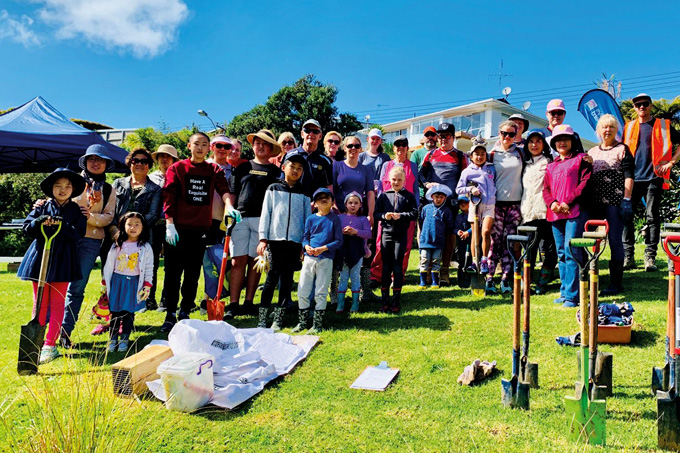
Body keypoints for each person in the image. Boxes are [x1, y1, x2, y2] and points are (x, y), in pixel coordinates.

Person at [161, 132, 231, 333]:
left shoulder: (213, 169)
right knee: (173, 274)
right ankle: (170, 314)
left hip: (200, 230)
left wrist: (229, 205)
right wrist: (170, 223)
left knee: (192, 273)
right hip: (177, 229)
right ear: (189, 146)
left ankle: (185, 312)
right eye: (196, 144)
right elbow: (169, 195)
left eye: (204, 145)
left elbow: (223, 188)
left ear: (208, 148)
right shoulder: (178, 168)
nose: (200, 148)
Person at [18, 168, 87, 363]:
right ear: (51, 188)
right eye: (58, 186)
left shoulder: (77, 211)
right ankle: (35, 341)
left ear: (73, 189)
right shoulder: (41, 206)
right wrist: (38, 221)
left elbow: (78, 233)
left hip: (63, 261)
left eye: (67, 186)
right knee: (39, 302)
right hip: (39, 259)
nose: (63, 190)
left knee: (57, 303)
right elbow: (27, 228)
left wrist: (62, 224)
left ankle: (50, 344)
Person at [60, 144, 117, 349]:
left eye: (100, 160)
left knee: (77, 287)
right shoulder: (71, 180)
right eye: (92, 159)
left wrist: (89, 217)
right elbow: (59, 201)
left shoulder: (109, 189)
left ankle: (65, 333)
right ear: (85, 161)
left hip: (91, 241)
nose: (96, 163)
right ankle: (49, 334)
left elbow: (109, 217)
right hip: (66, 237)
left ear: (105, 165)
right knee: (57, 285)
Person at [224, 129, 282, 319]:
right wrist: (229, 209)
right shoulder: (242, 167)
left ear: (271, 148)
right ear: (253, 145)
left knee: (255, 262)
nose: (260, 145)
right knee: (237, 261)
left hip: (262, 220)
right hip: (240, 218)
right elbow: (232, 192)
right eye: (257, 142)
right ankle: (234, 303)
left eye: (265, 143)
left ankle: (249, 302)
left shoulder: (275, 171)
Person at [622, 93, 680, 271]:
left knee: (652, 216)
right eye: (638, 104)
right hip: (631, 178)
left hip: (654, 177)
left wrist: (671, 162)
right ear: (634, 108)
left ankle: (650, 258)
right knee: (626, 217)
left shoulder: (664, 125)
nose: (642, 107)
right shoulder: (628, 127)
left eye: (645, 104)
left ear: (650, 106)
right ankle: (628, 256)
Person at [257, 154, 311, 330]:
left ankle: (278, 318)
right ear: (284, 167)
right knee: (271, 278)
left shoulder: (304, 192)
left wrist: (305, 242)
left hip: (294, 242)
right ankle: (262, 317)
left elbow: (307, 219)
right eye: (292, 166)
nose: (295, 171)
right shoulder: (273, 188)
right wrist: (263, 238)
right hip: (275, 240)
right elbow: (266, 213)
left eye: (299, 168)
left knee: (287, 281)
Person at [543, 124, 592, 308]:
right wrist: (553, 203)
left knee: (573, 250)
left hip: (575, 212)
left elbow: (584, 184)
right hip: (555, 214)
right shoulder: (551, 166)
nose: (562, 142)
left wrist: (567, 202)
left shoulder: (582, 160)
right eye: (558, 140)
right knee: (561, 253)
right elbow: (546, 189)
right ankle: (565, 292)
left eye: (566, 139)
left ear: (573, 141)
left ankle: (573, 295)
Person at [587, 114, 635, 295]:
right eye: (604, 127)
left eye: (611, 127)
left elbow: (629, 175)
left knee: (615, 240)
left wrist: (627, 199)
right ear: (598, 130)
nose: (607, 130)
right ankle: (591, 278)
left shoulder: (622, 149)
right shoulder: (591, 152)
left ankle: (616, 284)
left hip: (616, 202)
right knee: (591, 240)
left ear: (616, 130)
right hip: (594, 203)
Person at [110, 149, 162, 311]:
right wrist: (115, 232)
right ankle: (112, 301)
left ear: (149, 166)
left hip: (145, 236)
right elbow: (111, 209)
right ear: (129, 163)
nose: (139, 164)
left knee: (145, 268)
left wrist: (134, 232)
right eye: (136, 161)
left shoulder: (156, 189)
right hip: (116, 235)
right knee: (115, 269)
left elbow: (153, 214)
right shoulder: (118, 183)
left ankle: (144, 301)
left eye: (144, 162)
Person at [419, 122, 467, 286]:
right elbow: (421, 175)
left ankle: (444, 271)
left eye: (446, 136)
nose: (443, 139)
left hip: (451, 205)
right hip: (431, 205)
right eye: (440, 136)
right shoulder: (430, 155)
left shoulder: (460, 156)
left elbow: (465, 178)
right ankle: (427, 272)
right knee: (428, 236)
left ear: (453, 137)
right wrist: (426, 185)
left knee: (449, 238)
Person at [332, 135, 375, 304]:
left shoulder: (365, 169)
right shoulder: (337, 166)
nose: (353, 148)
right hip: (339, 216)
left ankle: (365, 290)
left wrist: (370, 213)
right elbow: (332, 189)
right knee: (338, 253)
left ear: (360, 149)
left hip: (360, 217)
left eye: (356, 146)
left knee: (363, 250)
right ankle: (335, 292)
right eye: (349, 145)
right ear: (344, 148)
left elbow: (370, 192)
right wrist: (335, 210)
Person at [293, 188, 343, 334]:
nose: (323, 199)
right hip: (309, 258)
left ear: (332, 202)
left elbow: (339, 241)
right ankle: (302, 322)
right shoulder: (311, 219)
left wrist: (324, 248)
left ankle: (317, 324)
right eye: (319, 198)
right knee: (303, 289)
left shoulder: (335, 219)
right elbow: (305, 237)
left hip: (326, 259)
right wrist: (306, 246)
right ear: (314, 204)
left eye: (327, 197)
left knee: (321, 291)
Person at [102, 212, 154, 352]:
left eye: (137, 224)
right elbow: (109, 264)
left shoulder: (145, 247)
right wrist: (105, 282)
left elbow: (149, 267)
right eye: (129, 224)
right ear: (123, 226)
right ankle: (112, 339)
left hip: (134, 284)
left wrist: (147, 285)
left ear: (143, 227)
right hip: (117, 282)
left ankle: (124, 339)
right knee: (115, 312)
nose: (133, 227)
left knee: (128, 312)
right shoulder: (117, 244)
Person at [371, 135, 419, 285]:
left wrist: (414, 209)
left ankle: (397, 276)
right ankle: (376, 275)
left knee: (405, 245)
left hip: (405, 212)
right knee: (380, 243)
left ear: (407, 147)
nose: (400, 148)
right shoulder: (387, 165)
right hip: (387, 212)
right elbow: (380, 187)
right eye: (397, 145)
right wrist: (380, 209)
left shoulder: (413, 166)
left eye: (403, 145)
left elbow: (416, 190)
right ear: (394, 148)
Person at [486, 121, 523, 294]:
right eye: (503, 133)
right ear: (499, 133)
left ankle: (506, 279)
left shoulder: (521, 153)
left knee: (511, 242)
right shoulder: (491, 154)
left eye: (511, 134)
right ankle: (489, 279)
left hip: (515, 204)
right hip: (496, 205)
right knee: (495, 243)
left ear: (516, 135)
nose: (507, 137)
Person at [374, 166, 418, 313]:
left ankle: (396, 300)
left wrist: (402, 215)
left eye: (399, 179)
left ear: (405, 180)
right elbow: (376, 214)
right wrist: (384, 216)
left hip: (400, 234)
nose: (396, 182)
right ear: (388, 180)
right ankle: (385, 300)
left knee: (397, 266)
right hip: (386, 233)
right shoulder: (383, 196)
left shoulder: (409, 196)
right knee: (386, 266)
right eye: (393, 179)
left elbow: (414, 213)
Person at [520, 129, 556, 294]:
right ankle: (526, 282)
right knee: (529, 249)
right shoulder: (524, 164)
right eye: (531, 142)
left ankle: (543, 282)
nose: (534, 145)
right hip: (528, 211)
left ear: (544, 144)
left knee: (549, 248)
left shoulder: (550, 161)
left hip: (545, 211)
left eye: (538, 141)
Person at [455, 140, 496, 276]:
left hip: (489, 204)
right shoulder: (467, 171)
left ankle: (484, 260)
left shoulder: (491, 168)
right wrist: (471, 189)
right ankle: (474, 261)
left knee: (485, 232)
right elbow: (458, 189)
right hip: (475, 204)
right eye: (476, 154)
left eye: (482, 154)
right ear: (471, 156)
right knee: (476, 234)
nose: (479, 156)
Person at [149, 144, 179, 311]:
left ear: (174, 160)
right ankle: (149, 298)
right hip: (153, 225)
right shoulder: (151, 178)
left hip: (173, 225)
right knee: (150, 263)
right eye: (161, 156)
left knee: (171, 264)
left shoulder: (179, 176)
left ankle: (166, 300)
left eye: (168, 156)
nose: (164, 159)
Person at [336, 192, 372, 313]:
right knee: (343, 278)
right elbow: (334, 233)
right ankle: (340, 304)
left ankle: (355, 304)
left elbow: (368, 234)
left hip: (357, 252)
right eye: (350, 202)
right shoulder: (340, 218)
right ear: (345, 204)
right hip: (343, 252)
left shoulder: (363, 219)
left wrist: (355, 231)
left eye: (356, 203)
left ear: (360, 205)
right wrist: (343, 232)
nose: (353, 205)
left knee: (355, 277)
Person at [282, 119, 333, 197]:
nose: (311, 134)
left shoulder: (325, 161)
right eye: (307, 130)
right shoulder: (289, 155)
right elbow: (282, 182)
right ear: (302, 134)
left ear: (320, 136)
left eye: (315, 131)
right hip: (292, 202)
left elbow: (328, 187)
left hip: (315, 206)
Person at [418, 184, 454, 288]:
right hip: (426, 240)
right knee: (424, 260)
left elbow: (449, 226)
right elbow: (421, 221)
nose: (438, 199)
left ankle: (435, 281)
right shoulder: (426, 208)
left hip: (438, 242)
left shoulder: (446, 211)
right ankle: (423, 282)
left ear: (445, 198)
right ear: (432, 197)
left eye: (441, 197)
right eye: (436, 197)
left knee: (436, 261)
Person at [454, 197, 472, 288]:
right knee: (461, 259)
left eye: (465, 202)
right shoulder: (458, 216)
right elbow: (454, 228)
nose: (463, 204)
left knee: (471, 259)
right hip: (461, 241)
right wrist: (458, 232)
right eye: (461, 203)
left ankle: (471, 277)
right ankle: (462, 277)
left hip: (472, 241)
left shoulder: (473, 215)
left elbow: (476, 226)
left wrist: (467, 232)